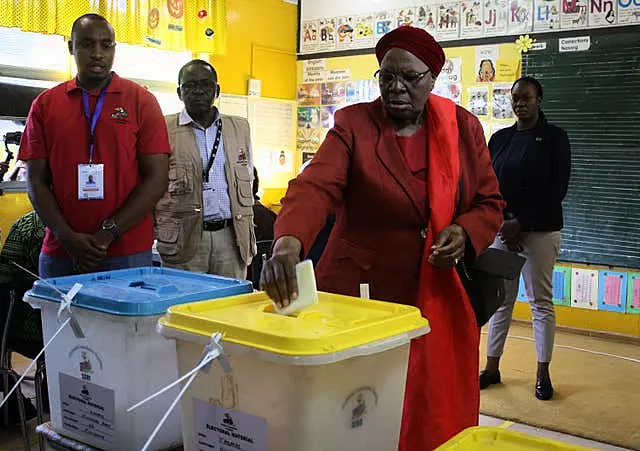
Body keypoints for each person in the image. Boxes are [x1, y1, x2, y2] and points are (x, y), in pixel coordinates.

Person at [261, 26, 503, 450]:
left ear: (432, 78)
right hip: (361, 296)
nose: (395, 87)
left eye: (409, 78)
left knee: (427, 408)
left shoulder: (461, 128)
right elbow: (316, 187)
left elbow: (488, 202)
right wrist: (288, 241)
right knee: (359, 407)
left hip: (436, 294)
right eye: (386, 76)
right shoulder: (354, 124)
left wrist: (464, 232)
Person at [18, 14, 170, 278]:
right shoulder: (45, 105)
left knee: (125, 321)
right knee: (59, 321)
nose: (97, 53)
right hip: (61, 253)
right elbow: (35, 181)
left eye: (106, 44)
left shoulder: (141, 101)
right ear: (71, 48)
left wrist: (106, 234)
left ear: (114, 48)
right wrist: (67, 237)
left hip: (127, 252)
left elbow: (157, 178)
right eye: (87, 44)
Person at [480, 76, 571, 401]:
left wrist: (523, 223)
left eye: (527, 98)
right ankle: (492, 368)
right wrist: (506, 223)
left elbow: (556, 189)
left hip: (541, 232)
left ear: (539, 100)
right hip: (503, 232)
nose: (520, 103)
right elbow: (488, 185)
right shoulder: (500, 139)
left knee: (540, 303)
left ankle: (542, 374)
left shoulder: (555, 138)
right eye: (516, 98)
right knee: (501, 301)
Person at [154, 60, 256, 279]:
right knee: (184, 306)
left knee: (229, 308)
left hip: (231, 238)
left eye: (205, 84)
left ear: (216, 90)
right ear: (180, 92)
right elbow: (151, 182)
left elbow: (249, 173)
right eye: (190, 85)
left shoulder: (239, 127)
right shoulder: (162, 127)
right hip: (184, 238)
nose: (198, 91)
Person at [0, 211, 48, 425]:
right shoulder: (89, 224)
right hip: (69, 336)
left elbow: (5, 283)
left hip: (22, 332)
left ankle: (12, 403)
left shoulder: (25, 226)